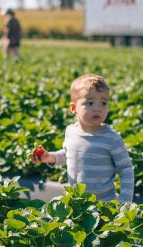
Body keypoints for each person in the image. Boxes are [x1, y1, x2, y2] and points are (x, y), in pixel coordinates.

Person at [34, 73, 134, 203]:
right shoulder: (71, 132)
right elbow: (68, 154)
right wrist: (51, 157)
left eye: (103, 103)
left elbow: (125, 169)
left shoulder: (111, 139)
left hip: (105, 205)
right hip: (76, 203)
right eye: (90, 103)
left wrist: (125, 201)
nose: (97, 108)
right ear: (74, 108)